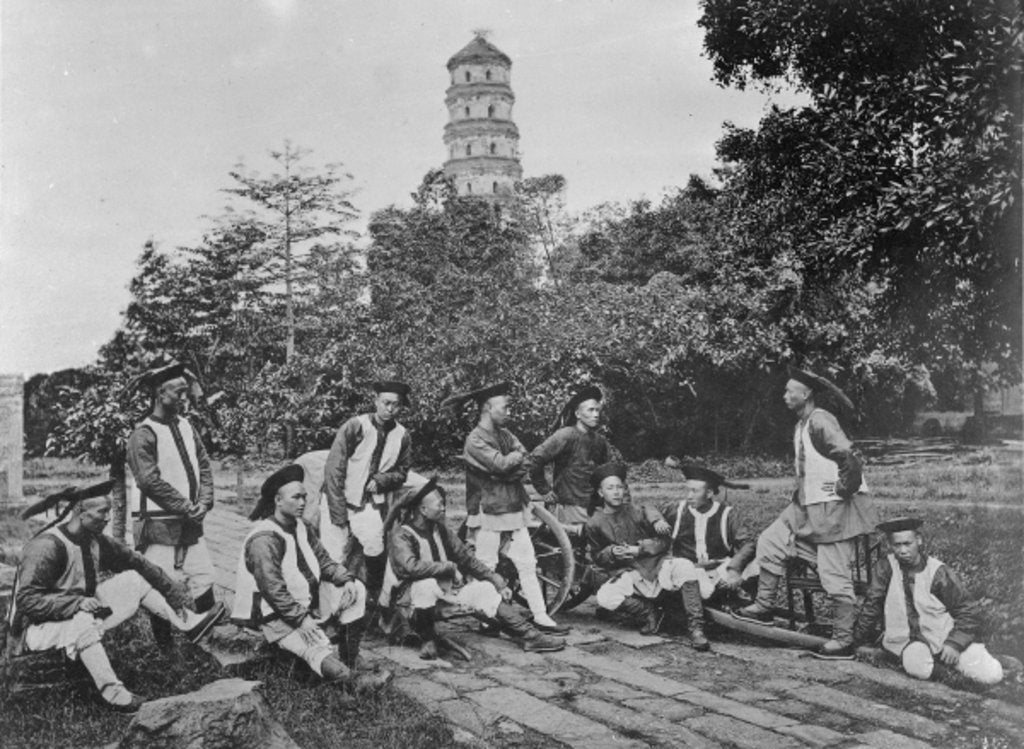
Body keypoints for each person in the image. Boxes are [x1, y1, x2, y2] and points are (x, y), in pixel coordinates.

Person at [8, 481, 224, 711]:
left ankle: (188, 623)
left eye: (109, 511)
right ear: (81, 513)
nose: (108, 518)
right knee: (81, 620)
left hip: (79, 613)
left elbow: (137, 562)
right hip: (36, 630)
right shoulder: (46, 546)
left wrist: (172, 591)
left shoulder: (94, 539)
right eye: (102, 511)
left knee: (134, 579)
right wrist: (76, 603)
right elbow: (27, 601)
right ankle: (114, 695)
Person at [735, 366, 876, 660]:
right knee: (770, 541)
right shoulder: (801, 424)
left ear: (806, 394)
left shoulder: (821, 420)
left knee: (834, 576)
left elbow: (849, 456)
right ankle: (764, 606)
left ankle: (843, 641)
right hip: (805, 507)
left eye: (790, 391)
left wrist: (844, 488)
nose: (785, 396)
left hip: (833, 510)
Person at [232, 464, 391, 691]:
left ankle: (350, 656)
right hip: (272, 614)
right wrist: (301, 620)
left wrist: (345, 579)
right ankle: (354, 683)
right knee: (314, 648)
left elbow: (324, 561)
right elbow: (272, 590)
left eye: (304, 497)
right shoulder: (264, 539)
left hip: (302, 603)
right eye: (296, 498)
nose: (302, 503)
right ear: (277, 500)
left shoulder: (301, 526)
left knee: (357, 589)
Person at [379, 475, 565, 657]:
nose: (444, 509)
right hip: (408, 600)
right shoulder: (402, 534)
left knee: (484, 590)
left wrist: (496, 580)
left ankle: (530, 636)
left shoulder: (440, 530)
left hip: (444, 591)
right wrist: (448, 567)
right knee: (425, 585)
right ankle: (429, 639)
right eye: (439, 505)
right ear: (423, 510)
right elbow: (410, 567)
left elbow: (467, 559)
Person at [447, 381, 569, 634]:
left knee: (527, 561)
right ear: (488, 408)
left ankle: (540, 615)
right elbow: (502, 464)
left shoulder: (505, 435)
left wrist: (507, 466)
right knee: (487, 564)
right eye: (505, 407)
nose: (509, 412)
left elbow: (524, 460)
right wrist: (508, 464)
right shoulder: (475, 440)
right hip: (489, 509)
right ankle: (486, 618)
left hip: (514, 504)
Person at [126, 362, 220, 647]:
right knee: (161, 581)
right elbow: (148, 481)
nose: (184, 398)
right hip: (158, 522)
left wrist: (204, 501)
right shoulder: (143, 433)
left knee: (203, 576)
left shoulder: (187, 426)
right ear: (158, 393)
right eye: (178, 392)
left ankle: (208, 642)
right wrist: (185, 505)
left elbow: (203, 466)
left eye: (186, 393)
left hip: (189, 519)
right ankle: (166, 651)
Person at [851, 517, 1003, 685]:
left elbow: (966, 611)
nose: (902, 550)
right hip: (906, 641)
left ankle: (963, 662)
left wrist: (955, 643)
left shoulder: (937, 571)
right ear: (890, 545)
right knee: (917, 666)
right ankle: (947, 675)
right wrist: (857, 640)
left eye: (907, 544)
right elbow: (873, 604)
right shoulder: (886, 567)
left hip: (942, 638)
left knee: (992, 675)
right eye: (897, 545)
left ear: (919, 540)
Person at [645, 463, 757, 652]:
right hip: (688, 571)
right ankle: (695, 627)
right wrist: (657, 519)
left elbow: (748, 543)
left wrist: (734, 569)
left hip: (717, 570)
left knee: (756, 563)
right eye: (687, 490)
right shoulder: (677, 510)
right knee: (684, 567)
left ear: (710, 493)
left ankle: (748, 607)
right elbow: (646, 508)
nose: (689, 496)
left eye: (695, 491)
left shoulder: (727, 514)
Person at [323, 381, 412, 605]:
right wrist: (338, 513)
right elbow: (334, 470)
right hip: (340, 499)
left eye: (396, 405)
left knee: (375, 545)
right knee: (335, 554)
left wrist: (382, 480)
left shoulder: (402, 435)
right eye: (386, 403)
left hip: (369, 503)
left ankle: (371, 600)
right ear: (375, 402)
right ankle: (330, 612)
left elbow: (402, 472)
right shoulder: (356, 426)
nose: (390, 409)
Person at [586, 463, 667, 637]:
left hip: (652, 567)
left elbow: (663, 541)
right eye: (610, 488)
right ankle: (648, 612)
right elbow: (597, 558)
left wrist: (641, 547)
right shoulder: (595, 522)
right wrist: (611, 552)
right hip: (626, 572)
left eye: (619, 487)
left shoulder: (638, 511)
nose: (616, 492)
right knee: (606, 597)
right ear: (601, 493)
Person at [530, 385, 621, 530]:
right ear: (578, 414)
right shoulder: (566, 435)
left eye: (597, 410)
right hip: (570, 506)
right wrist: (544, 490)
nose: (596, 415)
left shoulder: (599, 440)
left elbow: (608, 470)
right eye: (590, 410)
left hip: (594, 505)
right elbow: (536, 459)